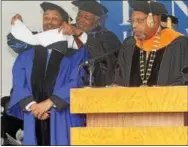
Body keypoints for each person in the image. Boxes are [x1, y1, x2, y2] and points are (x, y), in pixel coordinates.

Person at [7, 2, 88, 145]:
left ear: (64, 24)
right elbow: (19, 81)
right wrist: (33, 106)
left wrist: (49, 103)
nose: (49, 22)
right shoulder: (29, 51)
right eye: (46, 18)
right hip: (34, 115)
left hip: (62, 115)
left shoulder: (74, 52)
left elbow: (77, 81)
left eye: (54, 18)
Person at [8, 0, 122, 87]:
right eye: (79, 15)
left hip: (92, 89)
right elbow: (28, 43)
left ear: (97, 22)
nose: (80, 19)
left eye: (86, 17)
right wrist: (19, 29)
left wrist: (79, 34)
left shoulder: (107, 37)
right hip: (56, 90)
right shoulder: (65, 32)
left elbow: (103, 57)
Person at [114, 0, 188, 87]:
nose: (134, 25)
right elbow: (120, 80)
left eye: (139, 20)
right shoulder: (129, 45)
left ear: (154, 20)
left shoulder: (178, 43)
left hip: (164, 99)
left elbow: (184, 79)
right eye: (132, 21)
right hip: (133, 99)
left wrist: (164, 91)